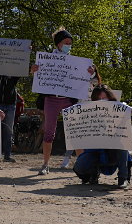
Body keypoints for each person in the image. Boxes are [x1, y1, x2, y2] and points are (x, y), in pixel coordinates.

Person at [31, 27, 95, 175]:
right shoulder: (46, 60)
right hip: (51, 100)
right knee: (49, 133)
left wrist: (90, 74)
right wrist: (33, 70)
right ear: (58, 43)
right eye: (66, 42)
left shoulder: (76, 63)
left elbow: (87, 80)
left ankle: (82, 165)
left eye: (70, 43)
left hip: (68, 100)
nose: (69, 46)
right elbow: (39, 77)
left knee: (75, 132)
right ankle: (45, 164)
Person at [72, 85, 131, 188]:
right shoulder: (88, 113)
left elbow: (129, 110)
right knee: (80, 167)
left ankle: (123, 178)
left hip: (113, 151)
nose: (102, 101)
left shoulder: (118, 111)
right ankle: (92, 175)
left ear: (110, 98)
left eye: (104, 98)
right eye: (98, 99)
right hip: (94, 150)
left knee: (123, 147)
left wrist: (124, 107)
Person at [0, 74, 20, 162]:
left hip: (10, 105)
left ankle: (7, 155)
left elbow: (22, 71)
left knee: (8, 130)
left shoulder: (14, 75)